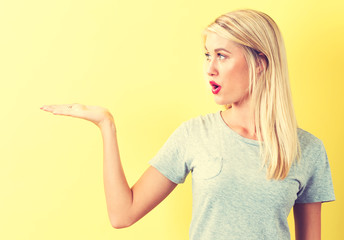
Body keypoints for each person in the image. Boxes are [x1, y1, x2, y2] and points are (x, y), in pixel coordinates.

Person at [40, 9, 335, 240]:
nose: (210, 69)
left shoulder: (307, 150)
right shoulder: (195, 135)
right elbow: (122, 214)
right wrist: (106, 125)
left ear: (260, 62)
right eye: (208, 55)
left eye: (222, 55)